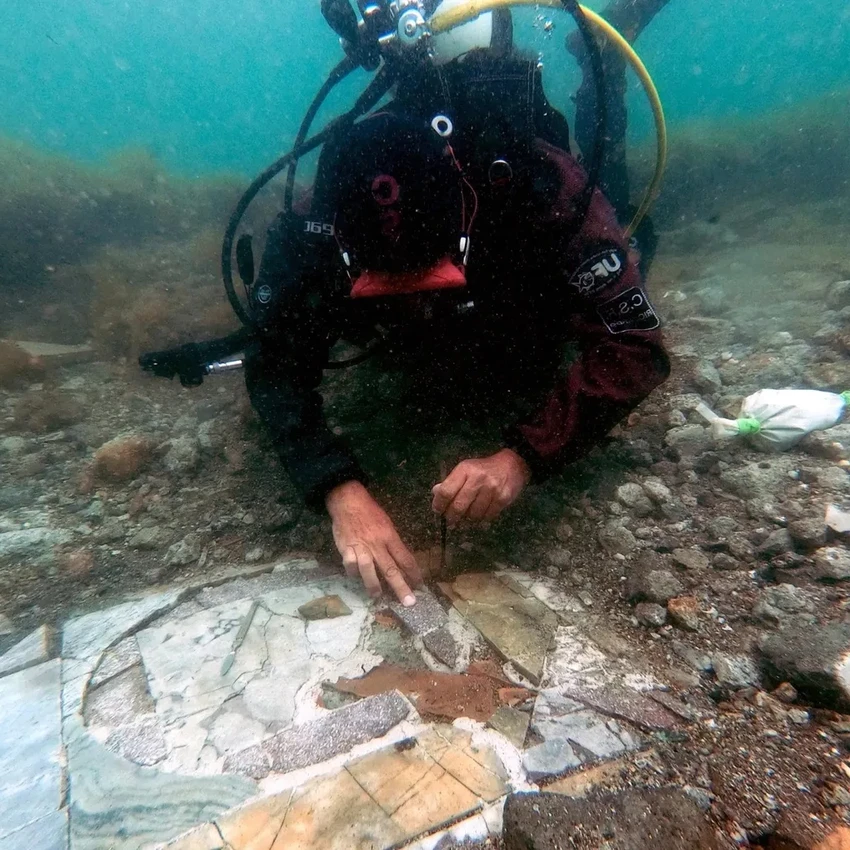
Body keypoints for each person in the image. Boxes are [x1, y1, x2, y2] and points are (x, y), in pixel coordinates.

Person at [242, 8, 671, 609]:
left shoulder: (538, 183)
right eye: (386, 282)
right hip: (424, 341)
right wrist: (337, 487)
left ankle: (597, 62)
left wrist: (522, 457)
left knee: (621, 205)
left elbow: (634, 347)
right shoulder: (323, 211)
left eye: (428, 275)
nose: (414, 295)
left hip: (524, 314)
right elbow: (272, 356)